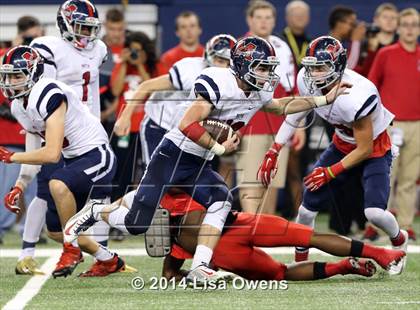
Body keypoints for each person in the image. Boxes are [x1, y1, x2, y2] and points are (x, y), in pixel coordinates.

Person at [64, 36, 350, 283]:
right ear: (242, 65)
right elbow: (188, 124)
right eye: (261, 67)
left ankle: (201, 266)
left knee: (221, 199)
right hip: (173, 156)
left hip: (199, 161)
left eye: (267, 68)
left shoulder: (258, 88)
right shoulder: (217, 81)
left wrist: (324, 99)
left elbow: (279, 106)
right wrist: (220, 148)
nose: (266, 74)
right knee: (137, 223)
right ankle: (95, 211)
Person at [258, 36, 408, 275]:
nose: (314, 73)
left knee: (374, 213)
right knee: (306, 210)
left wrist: (330, 171)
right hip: (341, 144)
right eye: (312, 66)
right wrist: (274, 149)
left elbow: (365, 148)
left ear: (338, 66)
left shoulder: (357, 95)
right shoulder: (307, 81)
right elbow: (295, 113)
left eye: (321, 67)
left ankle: (399, 239)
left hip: (374, 149)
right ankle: (300, 261)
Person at [0, 45, 136, 278]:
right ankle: (109, 261)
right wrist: (20, 185)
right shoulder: (18, 105)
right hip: (74, 159)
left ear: (33, 74)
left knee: (57, 184)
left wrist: (12, 157)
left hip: (96, 153)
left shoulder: (48, 93)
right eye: (8, 75)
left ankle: (73, 248)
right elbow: (35, 147)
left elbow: (52, 153)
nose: (10, 81)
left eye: (17, 75)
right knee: (55, 231)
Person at [2, 0, 111, 277]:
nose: (85, 35)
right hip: (57, 130)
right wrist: (21, 178)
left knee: (96, 195)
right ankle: (28, 253)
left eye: (90, 28)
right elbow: (37, 107)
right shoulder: (48, 50)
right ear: (64, 23)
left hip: (84, 133)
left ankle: (103, 256)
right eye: (79, 26)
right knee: (45, 190)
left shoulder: (98, 49)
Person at [114, 34, 235, 168]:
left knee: (189, 180)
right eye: (220, 60)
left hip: (187, 132)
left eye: (229, 63)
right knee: (156, 179)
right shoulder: (191, 70)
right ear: (209, 56)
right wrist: (125, 117)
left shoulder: (233, 83)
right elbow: (146, 86)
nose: (224, 67)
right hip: (160, 125)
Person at [238, 0, 302, 215]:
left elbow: (293, 89)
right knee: (249, 179)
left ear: (275, 21)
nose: (264, 22)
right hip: (249, 125)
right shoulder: (241, 47)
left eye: (268, 18)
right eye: (259, 17)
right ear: (249, 20)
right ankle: (249, 227)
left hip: (278, 126)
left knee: (272, 180)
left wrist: (299, 126)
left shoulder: (282, 47)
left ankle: (264, 228)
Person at [368, 8, 420, 241]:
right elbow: (371, 86)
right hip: (389, 124)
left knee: (410, 179)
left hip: (418, 124)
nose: (410, 29)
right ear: (398, 28)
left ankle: (406, 225)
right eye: (406, 24)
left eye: (414, 25)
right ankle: (379, 226)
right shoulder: (386, 54)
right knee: (385, 177)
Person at [355, 3, 399, 77]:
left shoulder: (401, 43)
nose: (389, 21)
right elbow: (357, 73)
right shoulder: (364, 42)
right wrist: (371, 51)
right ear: (376, 20)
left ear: (398, 22)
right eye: (385, 17)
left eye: (393, 18)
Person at [99, 8, 126, 129]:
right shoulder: (96, 50)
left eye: (119, 29)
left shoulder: (130, 50)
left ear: (125, 26)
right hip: (101, 115)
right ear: (105, 26)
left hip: (127, 113)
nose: (116, 33)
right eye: (112, 29)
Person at [329, 6, 366, 70]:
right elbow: (347, 69)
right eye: (352, 24)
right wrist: (356, 41)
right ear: (339, 24)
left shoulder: (340, 46)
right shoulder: (327, 45)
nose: (353, 28)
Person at [282, 0, 311, 69]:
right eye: (296, 14)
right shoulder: (279, 41)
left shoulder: (311, 43)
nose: (300, 17)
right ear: (287, 17)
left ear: (308, 18)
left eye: (303, 14)